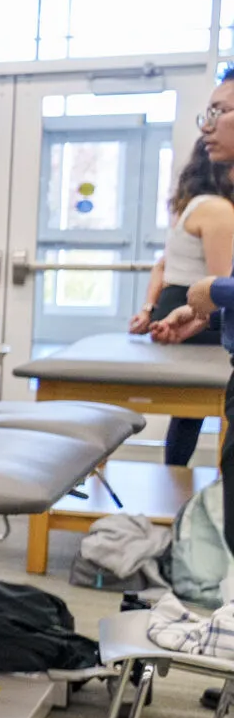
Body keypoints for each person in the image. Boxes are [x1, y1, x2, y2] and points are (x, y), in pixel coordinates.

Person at [132, 98, 234, 465]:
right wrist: (204, 311)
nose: (209, 126)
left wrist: (148, 308)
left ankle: (176, 472)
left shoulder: (192, 204)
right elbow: (220, 284)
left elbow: (163, 265)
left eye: (219, 115)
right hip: (191, 306)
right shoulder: (218, 211)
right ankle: (180, 477)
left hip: (177, 303)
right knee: (192, 413)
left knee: (187, 418)